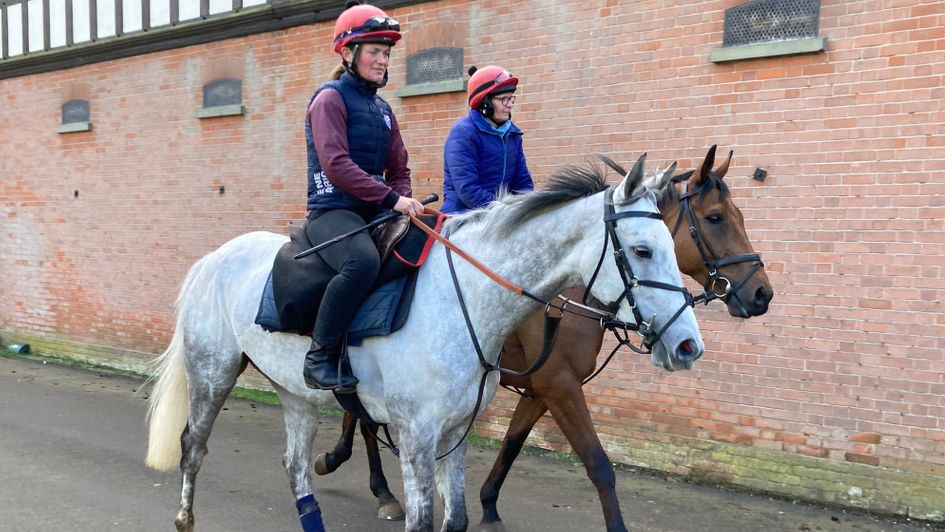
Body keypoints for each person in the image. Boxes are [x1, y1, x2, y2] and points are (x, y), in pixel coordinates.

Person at [302, 0, 424, 394]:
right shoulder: (329, 99)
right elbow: (336, 165)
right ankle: (319, 357)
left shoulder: (384, 110)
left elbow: (399, 168)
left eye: (386, 53)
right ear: (348, 53)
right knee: (361, 262)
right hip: (332, 210)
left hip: (375, 209)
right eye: (374, 51)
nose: (382, 60)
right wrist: (392, 200)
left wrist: (403, 203)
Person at [441, 65, 534, 214]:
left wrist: (529, 208)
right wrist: (506, 210)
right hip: (462, 216)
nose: (510, 104)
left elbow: (522, 183)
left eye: (511, 98)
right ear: (485, 103)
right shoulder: (463, 133)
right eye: (503, 99)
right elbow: (468, 190)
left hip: (499, 215)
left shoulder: (513, 134)